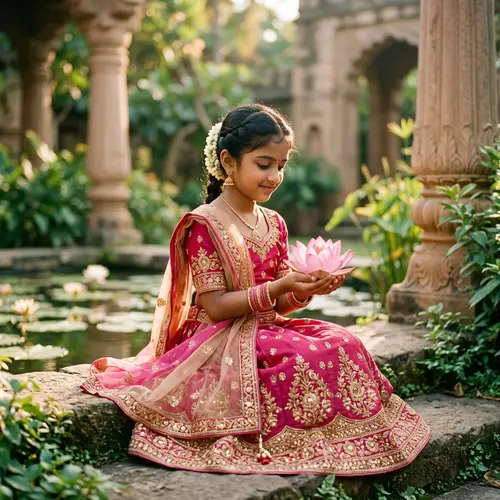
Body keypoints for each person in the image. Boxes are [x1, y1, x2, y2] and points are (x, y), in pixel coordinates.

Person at [82, 103, 430, 475]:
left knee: (343, 341)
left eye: (280, 166)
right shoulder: (205, 224)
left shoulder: (274, 223)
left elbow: (280, 304)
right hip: (219, 338)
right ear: (228, 162)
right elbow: (215, 306)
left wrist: (305, 289)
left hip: (265, 328)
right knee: (294, 359)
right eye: (264, 164)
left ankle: (343, 435)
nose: (275, 176)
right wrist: (279, 286)